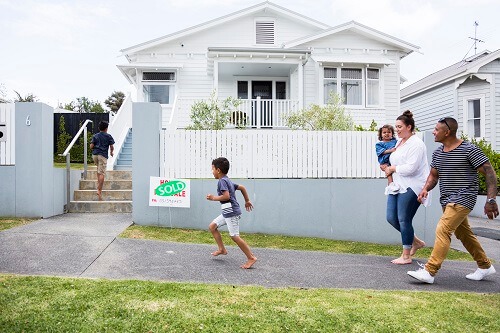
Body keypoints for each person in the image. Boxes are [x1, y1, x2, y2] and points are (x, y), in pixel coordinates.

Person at [407, 117, 497, 284]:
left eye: (436, 129)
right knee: (464, 234)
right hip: (446, 200)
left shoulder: (469, 150)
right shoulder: (438, 152)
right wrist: (426, 188)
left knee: (443, 229)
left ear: (447, 132)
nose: (433, 131)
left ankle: (430, 270)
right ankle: (485, 266)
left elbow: (490, 173)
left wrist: (491, 199)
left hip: (464, 198)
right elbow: (434, 176)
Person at [382, 111, 428, 264]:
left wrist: (393, 168)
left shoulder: (416, 144)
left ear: (409, 127)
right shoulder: (398, 142)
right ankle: (416, 242)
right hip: (397, 185)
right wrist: (387, 168)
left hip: (412, 186)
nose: (397, 130)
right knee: (391, 218)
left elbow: (411, 168)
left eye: (400, 127)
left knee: (403, 219)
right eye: (396, 127)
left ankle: (406, 256)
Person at [206, 157, 257, 269]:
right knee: (212, 226)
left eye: (213, 169)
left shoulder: (222, 181)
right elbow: (242, 187)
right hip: (227, 212)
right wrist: (247, 201)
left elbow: (226, 196)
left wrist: (213, 198)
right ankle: (222, 249)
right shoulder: (227, 180)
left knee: (234, 236)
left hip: (232, 213)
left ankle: (251, 257)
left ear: (218, 170)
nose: (212, 172)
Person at [90, 121, 114, 201]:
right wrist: (111, 152)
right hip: (102, 155)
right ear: (106, 128)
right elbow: (111, 146)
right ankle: (99, 190)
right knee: (102, 173)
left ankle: (98, 183)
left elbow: (91, 146)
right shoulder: (108, 136)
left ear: (98, 128)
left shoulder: (95, 136)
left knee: (98, 169)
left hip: (95, 155)